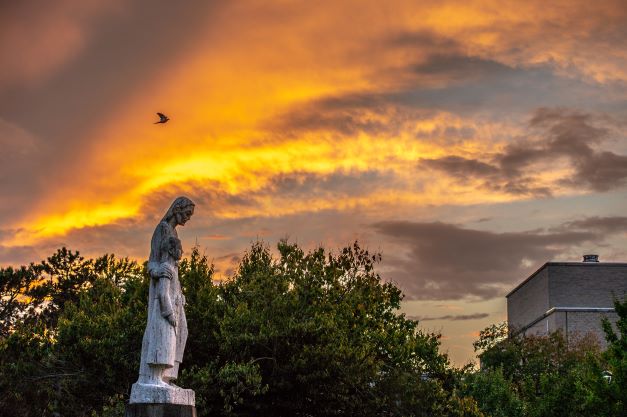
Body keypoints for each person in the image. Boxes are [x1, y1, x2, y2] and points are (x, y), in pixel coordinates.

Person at [136, 197, 195, 387]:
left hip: (174, 291)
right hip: (162, 289)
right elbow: (152, 261)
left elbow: (174, 268)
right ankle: (155, 375)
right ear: (177, 209)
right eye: (187, 214)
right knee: (163, 332)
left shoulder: (174, 233)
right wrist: (157, 270)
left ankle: (167, 377)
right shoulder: (162, 229)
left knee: (182, 331)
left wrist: (180, 292)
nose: (188, 218)